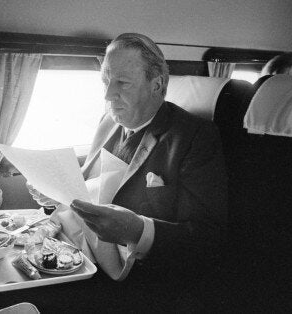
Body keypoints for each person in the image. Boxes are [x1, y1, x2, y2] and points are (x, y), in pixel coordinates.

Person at [29, 33, 228, 311]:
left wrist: (138, 232)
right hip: (74, 252)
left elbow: (207, 239)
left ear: (156, 85)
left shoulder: (194, 137)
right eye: (105, 81)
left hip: (139, 281)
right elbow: (86, 185)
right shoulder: (108, 121)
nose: (108, 95)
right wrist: (53, 191)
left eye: (121, 83)